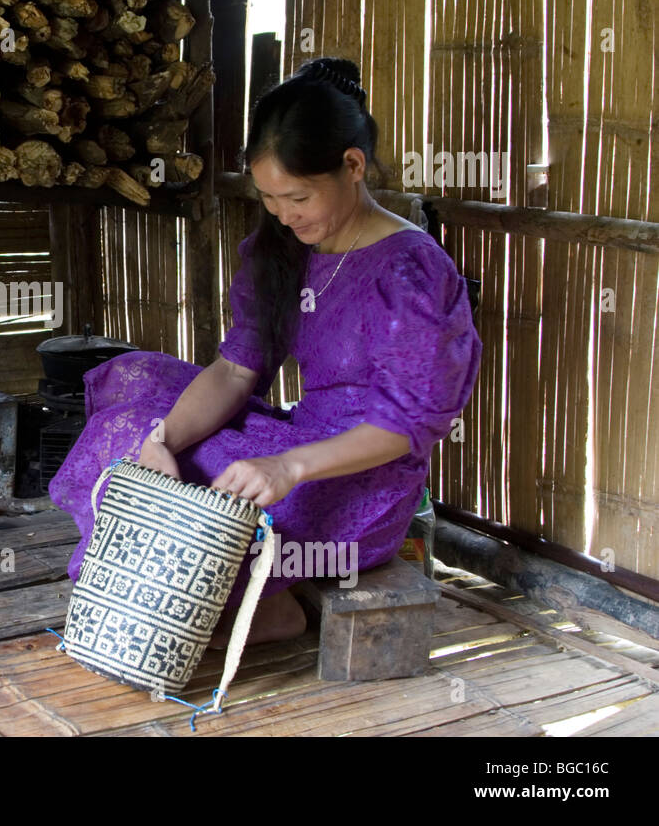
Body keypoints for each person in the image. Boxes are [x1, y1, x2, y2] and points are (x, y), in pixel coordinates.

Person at [49, 57, 482, 648]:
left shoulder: (411, 271)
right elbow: (235, 369)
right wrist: (162, 442)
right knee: (134, 403)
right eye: (269, 197)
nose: (283, 213)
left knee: (216, 478)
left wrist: (287, 467)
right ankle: (221, 598)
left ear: (353, 165)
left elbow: (406, 427)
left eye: (298, 196)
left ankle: (261, 609)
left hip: (360, 479)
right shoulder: (282, 248)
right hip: (298, 437)